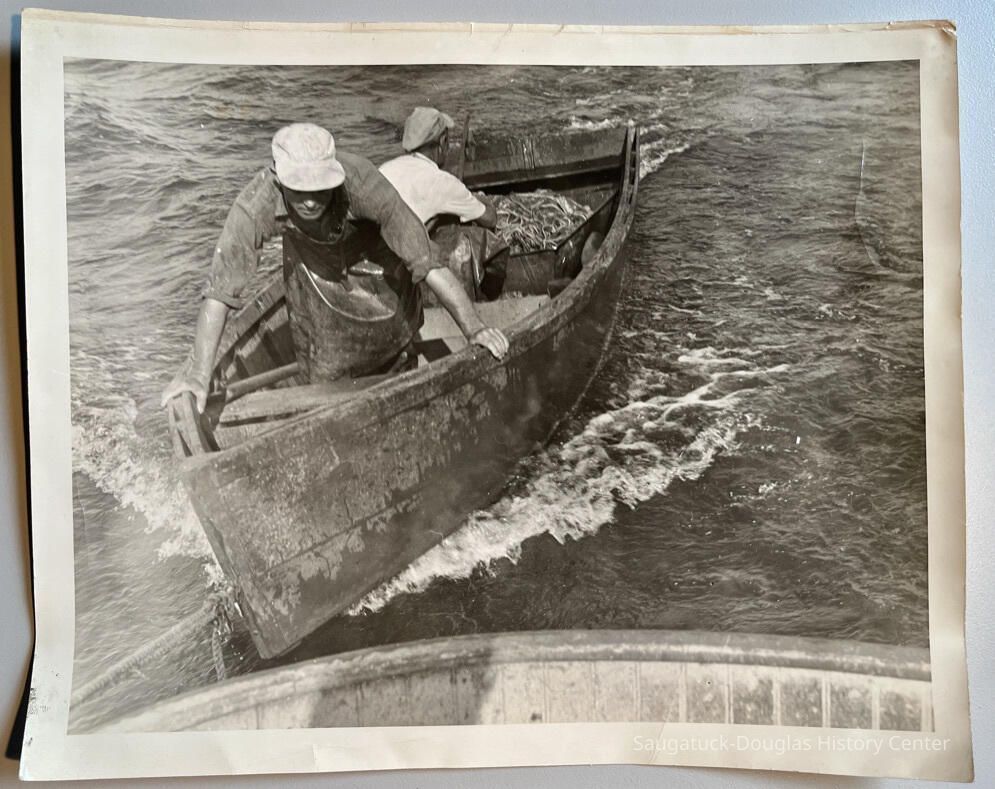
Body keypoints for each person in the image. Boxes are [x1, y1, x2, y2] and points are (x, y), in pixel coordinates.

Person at [161, 123, 508, 412]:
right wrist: (199, 373)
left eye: (320, 189)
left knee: (397, 350)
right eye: (299, 190)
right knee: (323, 368)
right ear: (280, 181)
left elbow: (425, 261)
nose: (311, 200)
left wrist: (474, 328)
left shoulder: (363, 183)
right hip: (314, 273)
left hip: (380, 265)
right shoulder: (256, 204)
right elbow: (221, 291)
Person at [379, 107, 508, 300]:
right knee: (481, 238)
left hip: (379, 255)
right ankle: (488, 298)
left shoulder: (384, 169)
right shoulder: (442, 181)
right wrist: (481, 199)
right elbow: (489, 219)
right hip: (408, 266)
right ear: (442, 143)